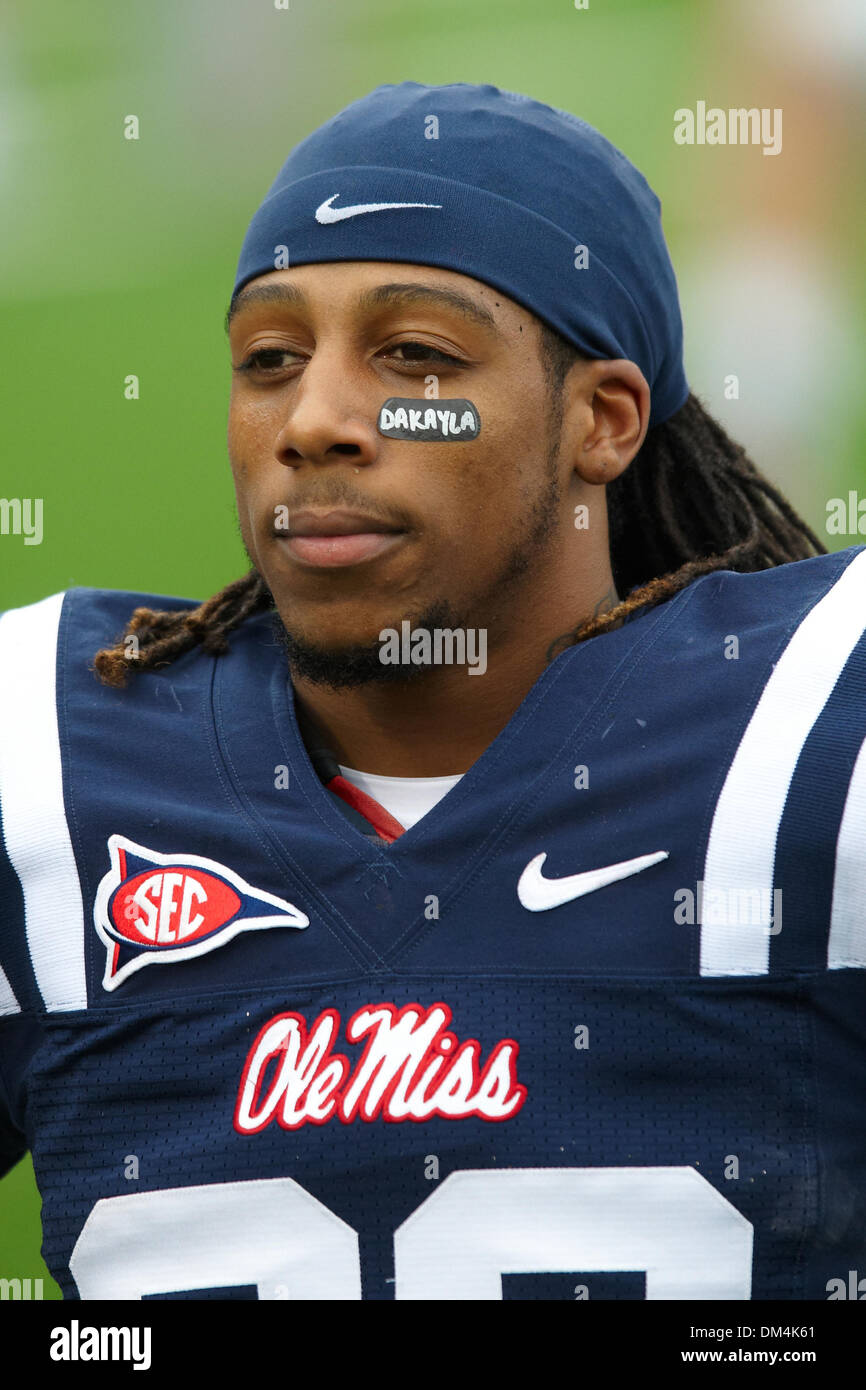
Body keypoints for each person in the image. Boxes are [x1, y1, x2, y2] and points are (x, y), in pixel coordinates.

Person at [0, 81, 863, 1301]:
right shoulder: (39, 757)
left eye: (413, 355)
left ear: (600, 422)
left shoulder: (812, 733)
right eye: (269, 358)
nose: (314, 420)